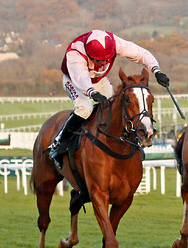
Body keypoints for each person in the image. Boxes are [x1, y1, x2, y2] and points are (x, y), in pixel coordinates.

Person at [50, 30, 170, 168]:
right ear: (89, 53)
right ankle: (59, 144)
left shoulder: (113, 42)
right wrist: (92, 92)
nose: (103, 63)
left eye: (106, 59)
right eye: (99, 60)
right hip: (74, 81)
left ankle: (132, 143)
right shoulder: (75, 54)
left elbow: (141, 54)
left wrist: (156, 70)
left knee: (116, 107)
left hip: (98, 80)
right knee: (85, 108)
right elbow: (81, 78)